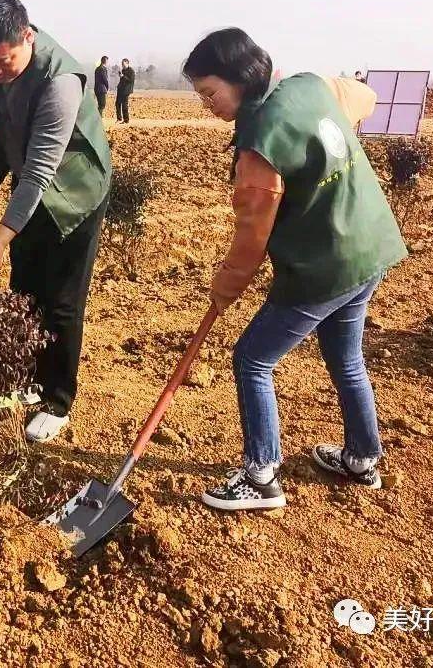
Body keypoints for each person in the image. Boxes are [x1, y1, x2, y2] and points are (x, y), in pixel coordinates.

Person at [182, 28, 407, 512]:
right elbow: (363, 94)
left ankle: (261, 476)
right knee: (345, 357)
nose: (207, 105)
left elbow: (251, 236)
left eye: (209, 93)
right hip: (370, 247)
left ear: (240, 79)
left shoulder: (260, 144)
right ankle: (362, 457)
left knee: (252, 359)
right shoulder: (310, 85)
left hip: (323, 265)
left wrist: (226, 285)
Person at [0, 0, 112, 443]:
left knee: (61, 300)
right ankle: (25, 381)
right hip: (31, 182)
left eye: (4, 63)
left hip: (75, 191)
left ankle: (58, 401)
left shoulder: (60, 83)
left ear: (27, 36)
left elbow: (41, 174)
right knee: (25, 289)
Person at [116, 58, 135, 124]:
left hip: (126, 90)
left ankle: (126, 120)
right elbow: (122, 80)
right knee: (117, 103)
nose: (122, 65)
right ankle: (119, 119)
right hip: (120, 89)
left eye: (123, 64)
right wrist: (121, 76)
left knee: (124, 105)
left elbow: (131, 80)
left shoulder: (131, 71)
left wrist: (123, 76)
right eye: (122, 64)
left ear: (127, 63)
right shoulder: (123, 70)